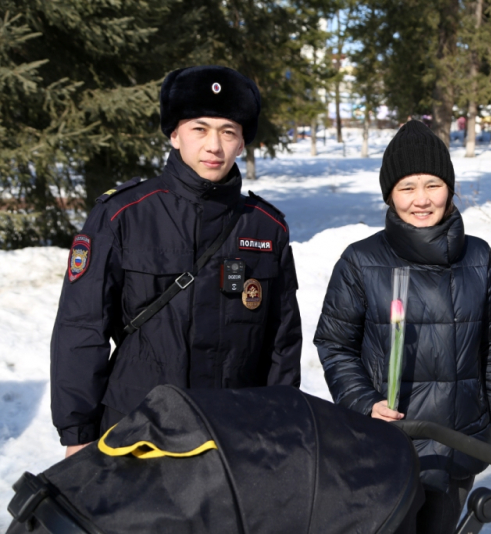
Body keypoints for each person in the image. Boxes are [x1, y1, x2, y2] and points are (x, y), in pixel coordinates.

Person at [51, 65, 302, 458]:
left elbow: (282, 341)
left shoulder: (266, 227)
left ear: (241, 143)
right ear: (174, 134)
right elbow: (82, 327)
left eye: (228, 132)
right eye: (199, 129)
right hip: (136, 431)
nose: (214, 146)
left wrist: (279, 422)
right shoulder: (123, 215)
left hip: (233, 433)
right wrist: (77, 432)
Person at [314, 120, 491, 534]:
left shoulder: (479, 258)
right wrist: (365, 403)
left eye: (433, 185)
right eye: (407, 188)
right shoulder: (361, 261)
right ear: (390, 194)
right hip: (390, 443)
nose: (421, 199)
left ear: (449, 189)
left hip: (458, 443)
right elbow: (335, 344)